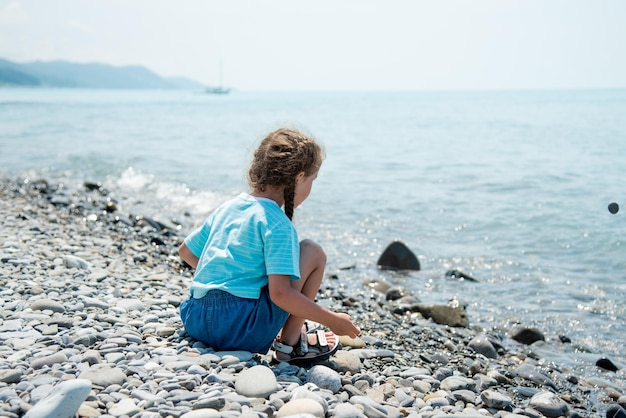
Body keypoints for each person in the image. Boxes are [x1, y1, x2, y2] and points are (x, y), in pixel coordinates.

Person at [178, 128, 360, 365]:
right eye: (312, 180)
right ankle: (289, 345)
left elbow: (187, 251)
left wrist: (225, 279)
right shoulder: (276, 223)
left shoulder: (228, 208)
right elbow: (281, 293)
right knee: (312, 251)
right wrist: (333, 320)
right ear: (298, 178)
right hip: (241, 331)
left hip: (196, 320)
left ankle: (270, 330)